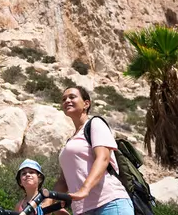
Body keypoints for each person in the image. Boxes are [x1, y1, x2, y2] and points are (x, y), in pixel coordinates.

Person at [54, 86, 133, 215]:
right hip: (82, 210)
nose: (67, 101)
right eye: (64, 99)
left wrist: (85, 189)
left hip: (109, 203)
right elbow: (63, 181)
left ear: (86, 104)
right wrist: (47, 203)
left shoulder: (95, 124)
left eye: (72, 97)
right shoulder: (70, 142)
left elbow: (103, 158)